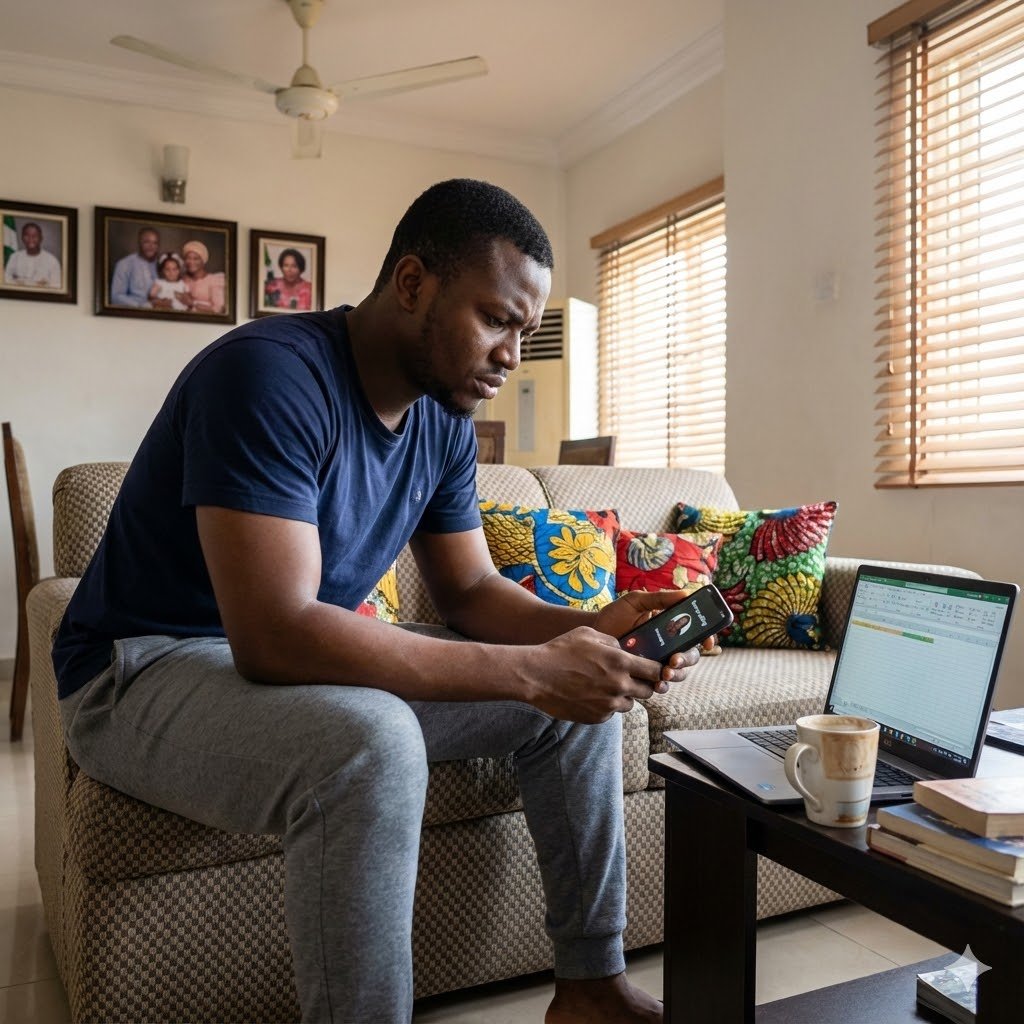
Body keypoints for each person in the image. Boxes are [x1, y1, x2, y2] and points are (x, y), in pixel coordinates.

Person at [52, 178, 710, 1024]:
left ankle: (590, 989)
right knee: (372, 740)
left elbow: (470, 590)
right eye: (497, 320)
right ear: (412, 284)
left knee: (587, 699)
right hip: (139, 671)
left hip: (280, 673)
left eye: (527, 330)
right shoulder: (266, 376)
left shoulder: (442, 421)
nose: (513, 354)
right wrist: (529, 672)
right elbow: (274, 635)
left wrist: (595, 630)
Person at [110, 226, 160, 307]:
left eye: (155, 243)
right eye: (147, 242)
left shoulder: (162, 265)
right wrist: (144, 306)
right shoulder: (124, 264)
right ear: (139, 243)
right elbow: (116, 297)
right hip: (133, 315)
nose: (151, 246)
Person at [4, 221, 62, 288]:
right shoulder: (14, 257)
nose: (30, 239)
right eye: (27, 235)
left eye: (35, 236)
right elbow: (6, 280)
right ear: (22, 238)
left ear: (41, 238)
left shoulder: (52, 261)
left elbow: (56, 286)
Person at [181, 239, 226, 315]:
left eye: (196, 259)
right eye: (188, 258)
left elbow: (218, 310)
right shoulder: (183, 280)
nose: (191, 262)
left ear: (203, 260)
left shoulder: (214, 280)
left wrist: (192, 303)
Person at [265, 247, 313, 311]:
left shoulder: (310, 288)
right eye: (286, 265)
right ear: (281, 267)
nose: (289, 270)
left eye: (294, 266)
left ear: (301, 268)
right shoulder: (271, 286)